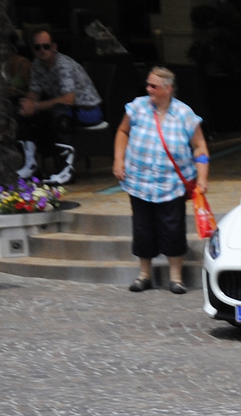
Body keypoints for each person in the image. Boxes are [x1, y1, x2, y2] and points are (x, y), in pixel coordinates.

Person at [112, 66, 208, 294]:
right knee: (143, 229)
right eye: (148, 85)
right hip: (140, 182)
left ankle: (176, 278)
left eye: (153, 86)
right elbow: (122, 131)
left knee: (173, 229)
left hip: (171, 184)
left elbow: (200, 146)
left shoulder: (184, 114)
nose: (148, 89)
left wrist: (202, 178)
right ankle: (144, 275)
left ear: (168, 89)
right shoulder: (137, 107)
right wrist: (119, 159)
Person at [16, 29, 104, 184]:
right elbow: (34, 93)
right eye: (37, 47)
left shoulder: (64, 65)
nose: (42, 50)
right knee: (24, 113)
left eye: (46, 46)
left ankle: (67, 169)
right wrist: (26, 104)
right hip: (65, 108)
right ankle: (31, 164)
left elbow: (68, 99)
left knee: (59, 115)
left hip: (89, 110)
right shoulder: (37, 65)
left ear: (54, 47)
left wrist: (35, 105)